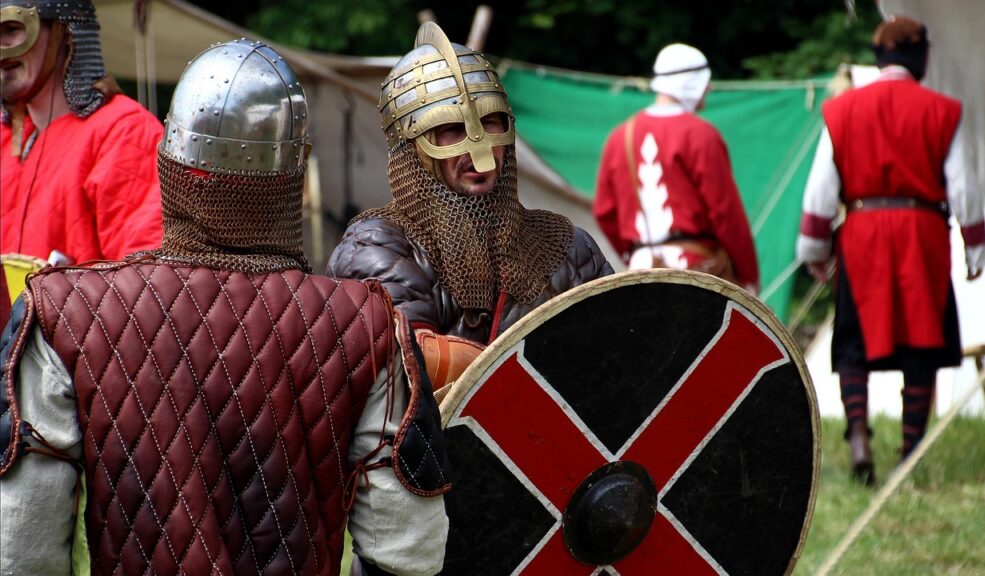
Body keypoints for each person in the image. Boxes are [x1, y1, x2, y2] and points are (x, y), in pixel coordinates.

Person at [0, 40, 449, 576]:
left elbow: (20, 543)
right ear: (293, 172)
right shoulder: (365, 323)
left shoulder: (65, 311)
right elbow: (409, 551)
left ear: (171, 162)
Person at [327, 22, 613, 389]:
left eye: (490, 122)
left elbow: (618, 353)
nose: (477, 146)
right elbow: (404, 380)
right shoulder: (378, 247)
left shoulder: (568, 246)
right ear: (413, 148)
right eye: (451, 129)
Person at [796, 15, 985, 485]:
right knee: (922, 340)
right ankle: (909, 453)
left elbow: (821, 190)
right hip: (921, 232)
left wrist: (814, 248)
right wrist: (976, 247)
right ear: (920, 56)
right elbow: (963, 187)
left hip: (861, 232)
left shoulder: (843, 111)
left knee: (852, 343)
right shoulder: (941, 110)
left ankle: (859, 436)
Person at [0, 0, 163, 264]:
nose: (2, 50)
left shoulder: (124, 133)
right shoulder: (5, 138)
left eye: (11, 29)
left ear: (65, 32)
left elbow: (143, 282)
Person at [593, 42, 759, 294]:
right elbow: (726, 214)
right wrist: (748, 276)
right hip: (698, 274)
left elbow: (605, 212)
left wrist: (636, 254)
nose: (709, 89)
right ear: (690, 83)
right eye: (705, 82)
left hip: (639, 275)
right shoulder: (701, 135)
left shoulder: (619, 137)